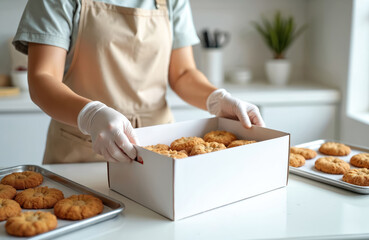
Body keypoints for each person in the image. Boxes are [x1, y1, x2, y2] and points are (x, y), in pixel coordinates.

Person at [13, 0, 265, 164]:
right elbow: (42, 78)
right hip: (82, 152)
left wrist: (216, 99)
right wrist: (91, 115)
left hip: (159, 152)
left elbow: (183, 73)